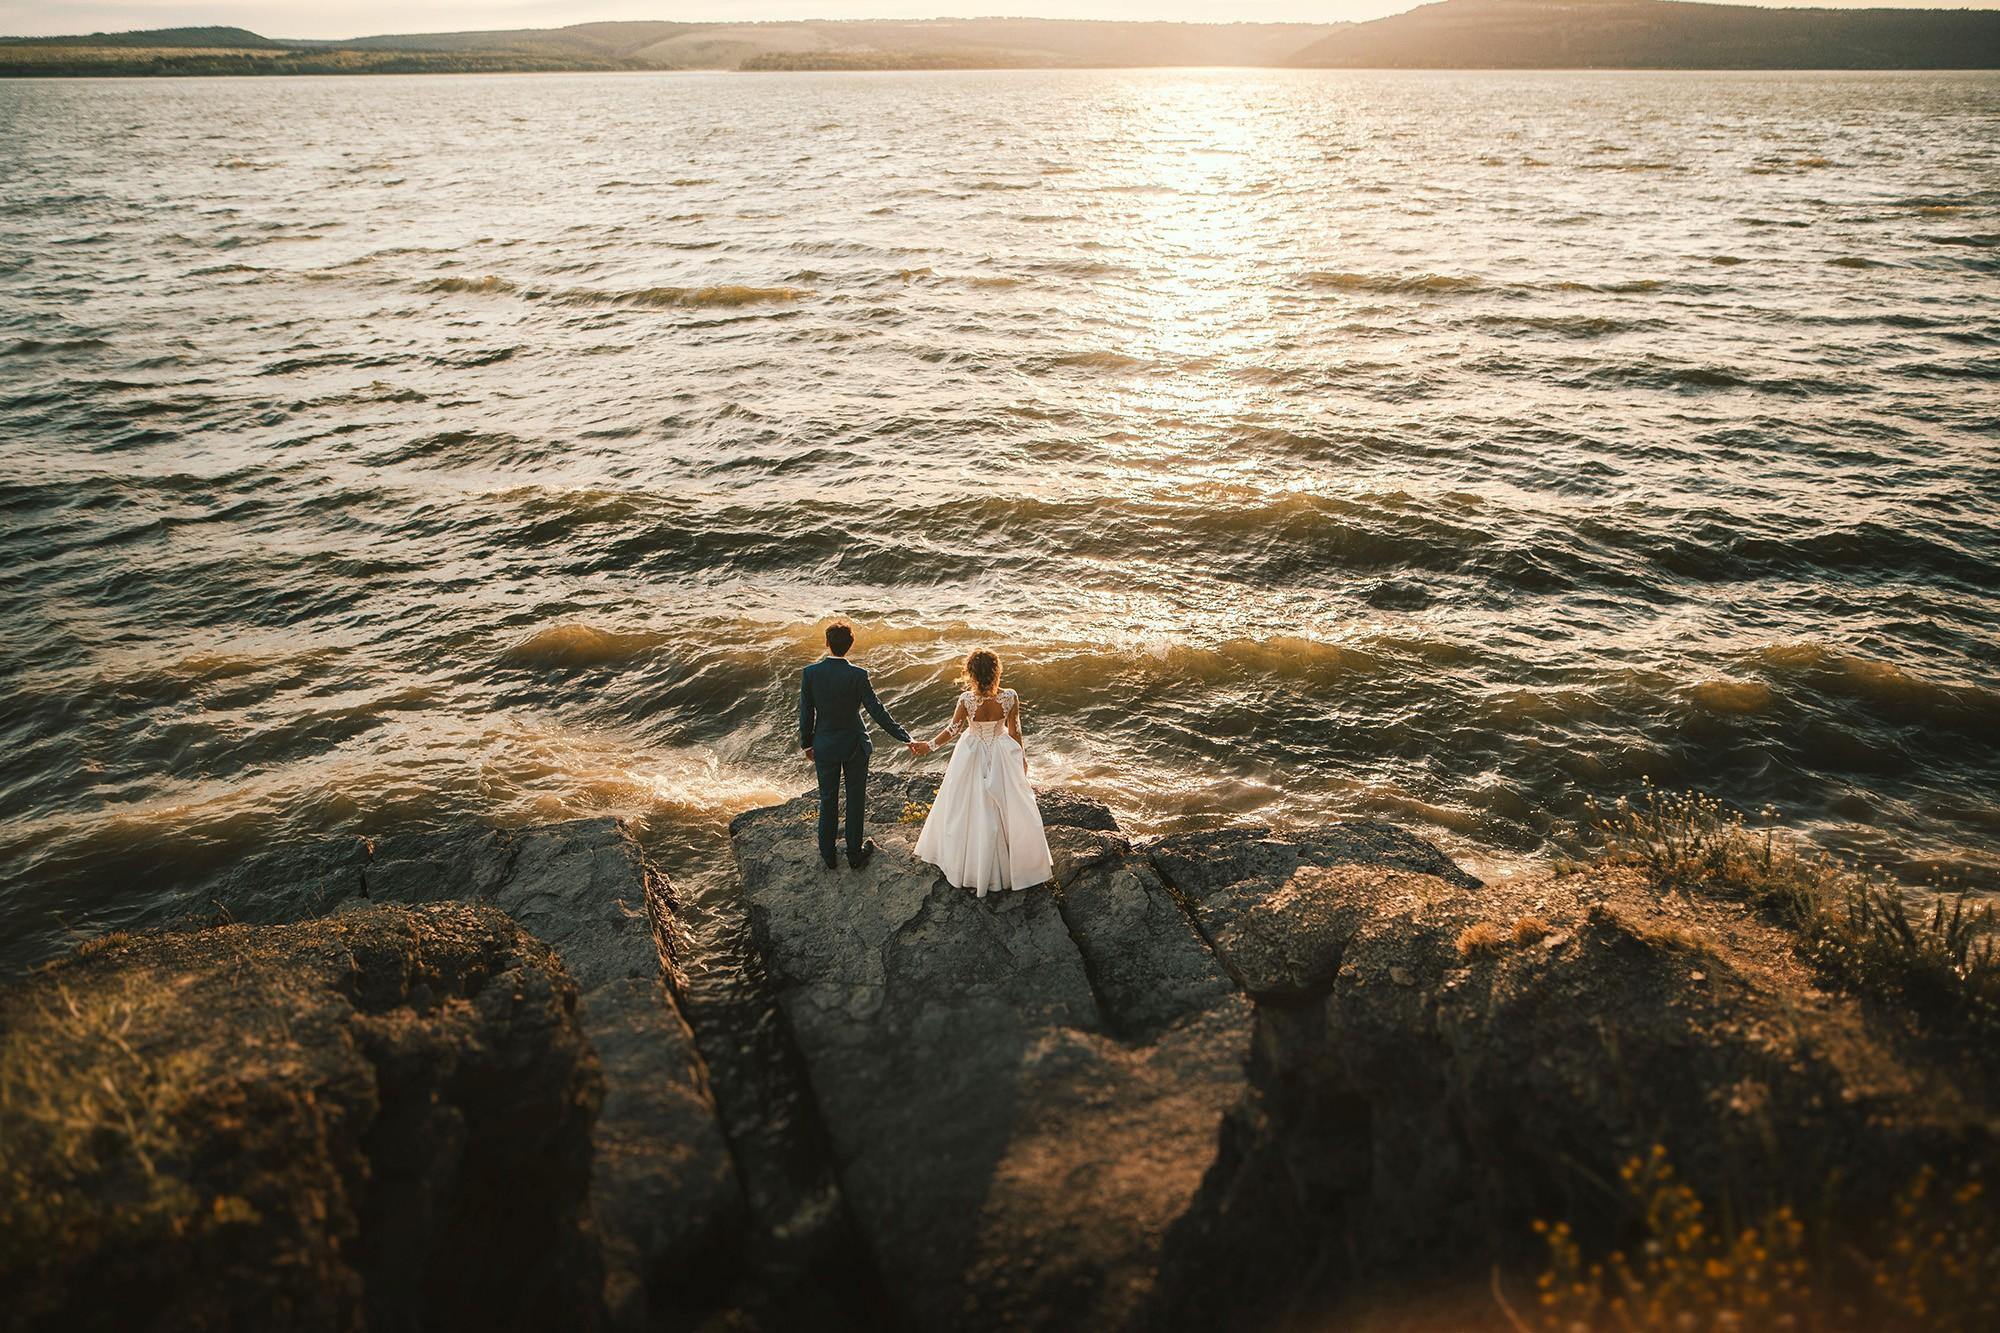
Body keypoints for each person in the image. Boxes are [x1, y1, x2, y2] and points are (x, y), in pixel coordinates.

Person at [910, 649, 1053, 897]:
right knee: (1008, 805)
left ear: (971, 674)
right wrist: (1022, 760)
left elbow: (952, 730)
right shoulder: (1010, 697)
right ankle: (1014, 864)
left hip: (972, 752)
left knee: (966, 806)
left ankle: (971, 865)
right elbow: (1015, 732)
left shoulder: (966, 700)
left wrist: (928, 747)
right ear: (997, 671)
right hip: (1001, 752)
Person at [800, 621, 919, 871]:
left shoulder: (811, 673)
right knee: (855, 800)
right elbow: (877, 711)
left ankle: (828, 855)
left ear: (826, 643)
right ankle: (854, 854)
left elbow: (806, 713)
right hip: (855, 745)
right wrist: (905, 737)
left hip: (824, 744)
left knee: (827, 798)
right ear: (850, 646)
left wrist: (807, 744)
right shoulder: (858, 675)